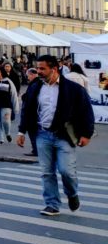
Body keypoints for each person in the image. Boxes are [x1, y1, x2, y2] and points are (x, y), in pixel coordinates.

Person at [17, 55, 95, 216]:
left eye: (42, 68)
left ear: (54, 69)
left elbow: (86, 111)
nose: (39, 72)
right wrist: (21, 131)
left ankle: (72, 194)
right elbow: (27, 110)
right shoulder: (35, 86)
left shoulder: (73, 89)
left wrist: (86, 134)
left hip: (63, 136)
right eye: (37, 68)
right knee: (47, 172)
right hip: (42, 135)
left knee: (67, 171)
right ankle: (52, 204)